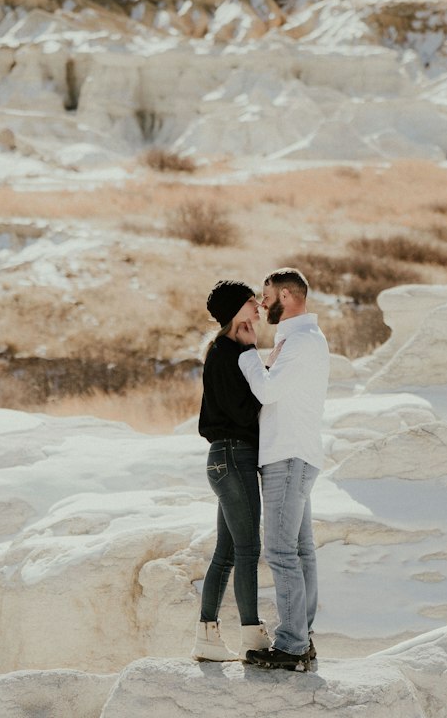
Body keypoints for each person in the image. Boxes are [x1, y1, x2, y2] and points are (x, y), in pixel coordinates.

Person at [236, 267, 330, 672]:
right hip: (298, 454)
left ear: (288, 297)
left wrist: (247, 356)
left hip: (287, 457)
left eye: (266, 294)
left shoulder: (302, 342)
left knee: (280, 551)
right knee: (301, 550)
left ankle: (291, 644)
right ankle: (301, 638)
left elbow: (269, 391)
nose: (261, 302)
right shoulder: (301, 339)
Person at [191, 279, 272, 663]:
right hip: (234, 457)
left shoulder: (222, 350)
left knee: (226, 552)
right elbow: (242, 413)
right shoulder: (230, 354)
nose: (258, 310)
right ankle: (252, 637)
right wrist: (255, 356)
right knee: (247, 549)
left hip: (223, 460)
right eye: (251, 304)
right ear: (234, 311)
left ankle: (206, 636)